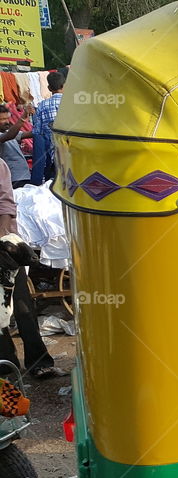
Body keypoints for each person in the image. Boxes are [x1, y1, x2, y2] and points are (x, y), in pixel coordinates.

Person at [0, 160, 58, 379]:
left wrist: (3, 243)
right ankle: (7, 366)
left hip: (7, 252)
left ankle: (39, 361)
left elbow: (6, 206)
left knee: (23, 306)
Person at [30, 71, 64, 186]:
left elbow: (37, 132)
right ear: (64, 86)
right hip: (71, 151)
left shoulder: (42, 105)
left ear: (49, 88)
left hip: (51, 153)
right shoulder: (72, 103)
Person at [0, 104, 34, 188]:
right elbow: (9, 135)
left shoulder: (8, 131)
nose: (7, 122)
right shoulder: (7, 134)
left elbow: (27, 134)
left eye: (8, 118)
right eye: (3, 119)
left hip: (23, 176)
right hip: (12, 179)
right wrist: (22, 118)